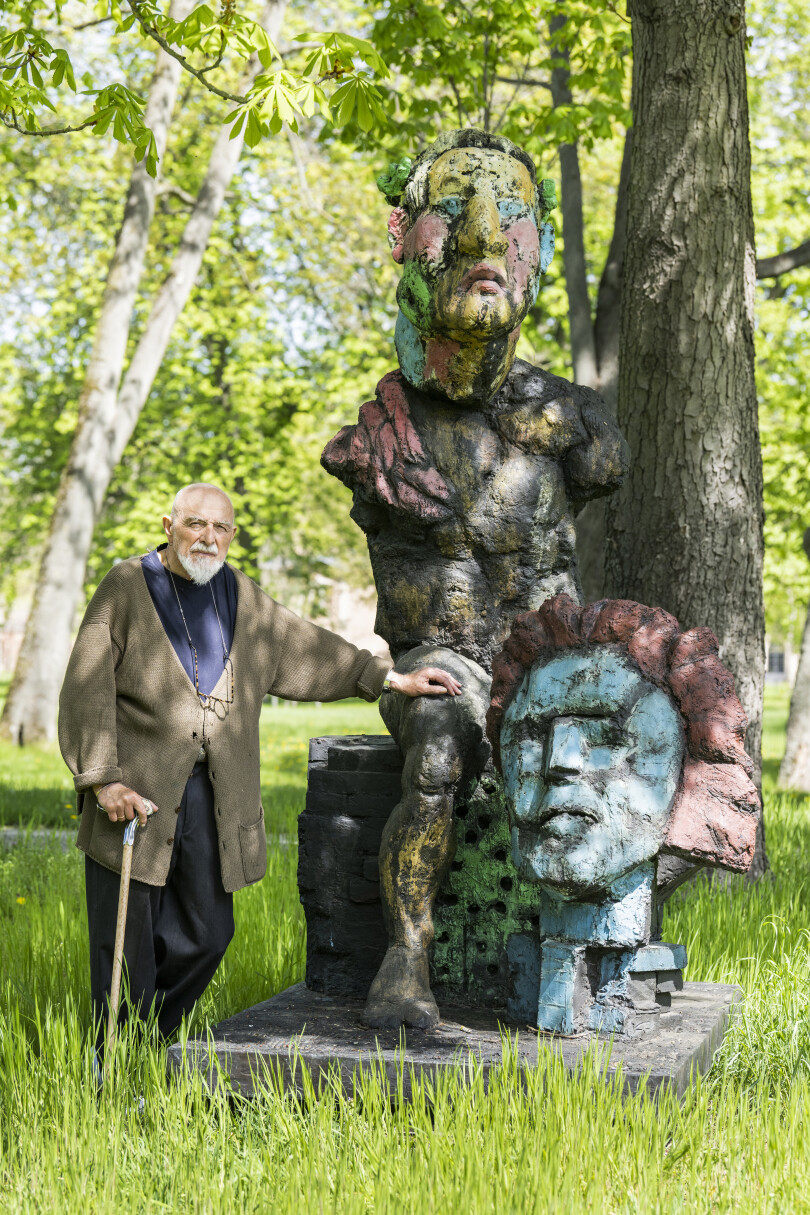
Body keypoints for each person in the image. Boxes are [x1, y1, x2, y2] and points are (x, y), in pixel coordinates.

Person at [321, 128, 628, 1029]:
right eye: (454, 212)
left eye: (514, 217)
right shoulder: (379, 441)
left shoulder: (570, 423)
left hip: (547, 662)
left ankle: (593, 955)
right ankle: (403, 961)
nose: (486, 237)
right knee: (438, 743)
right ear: (403, 235)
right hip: (438, 662)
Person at [58, 482, 459, 1044]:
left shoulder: (240, 595)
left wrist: (390, 678)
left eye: (221, 528)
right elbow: (86, 684)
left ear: (233, 536)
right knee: (126, 939)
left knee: (208, 933)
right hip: (135, 795)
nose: (208, 538)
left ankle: (146, 1038)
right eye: (196, 524)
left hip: (211, 793)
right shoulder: (126, 586)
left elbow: (306, 648)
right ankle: (116, 1064)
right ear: (168, 526)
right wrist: (103, 779)